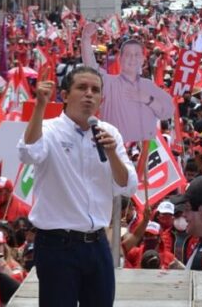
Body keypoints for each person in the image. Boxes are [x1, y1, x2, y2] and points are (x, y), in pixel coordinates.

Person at [17, 66, 137, 306]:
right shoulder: (49, 130)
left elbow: (127, 186)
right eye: (82, 88)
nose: (89, 95)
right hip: (57, 246)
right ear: (64, 95)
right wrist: (40, 106)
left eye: (95, 90)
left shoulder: (109, 133)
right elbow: (27, 153)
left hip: (97, 244)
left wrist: (112, 153)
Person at [81, 29, 174, 142]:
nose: (132, 59)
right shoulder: (110, 83)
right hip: (112, 146)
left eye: (136, 55)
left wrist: (147, 99)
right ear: (120, 59)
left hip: (141, 150)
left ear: (142, 60)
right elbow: (91, 68)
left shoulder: (149, 86)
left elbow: (167, 112)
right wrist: (85, 40)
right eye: (128, 55)